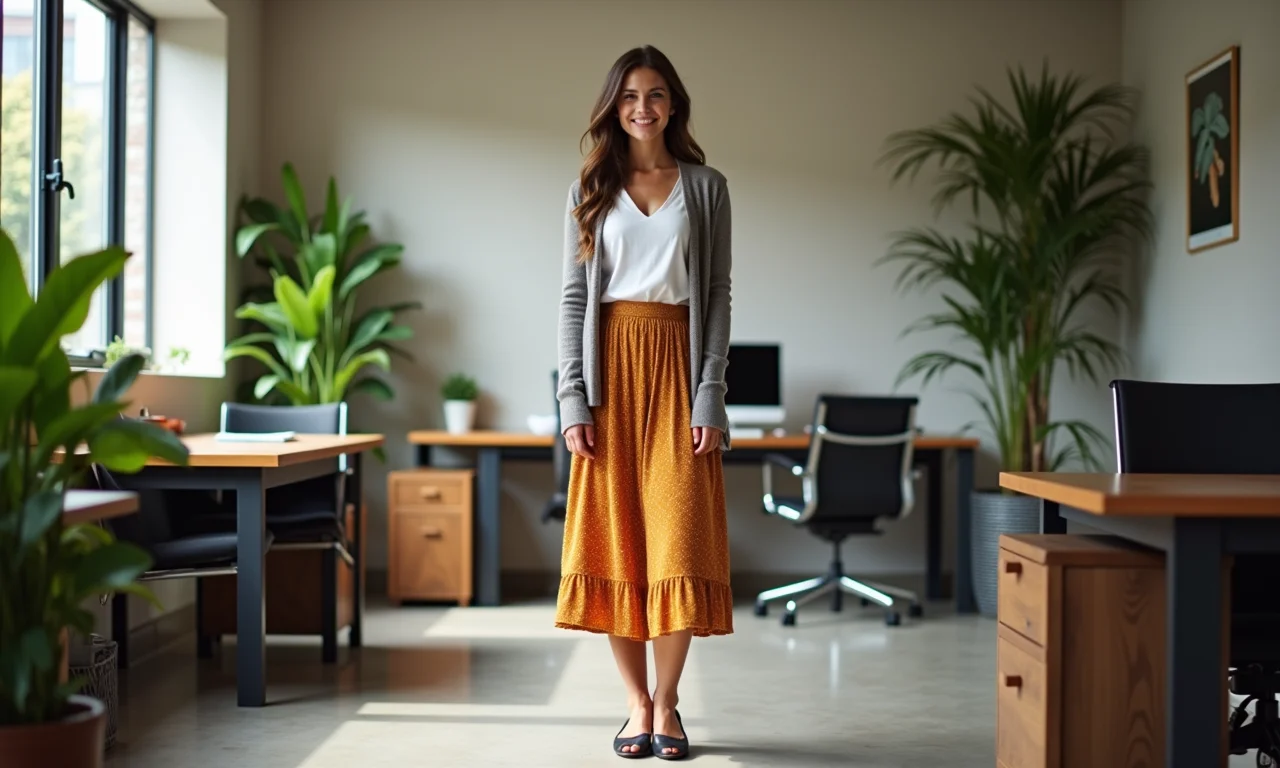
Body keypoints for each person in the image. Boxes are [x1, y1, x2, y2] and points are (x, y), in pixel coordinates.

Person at [554, 44, 733, 760]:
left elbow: (715, 295)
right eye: (629, 96)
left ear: (673, 104)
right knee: (619, 538)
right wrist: (574, 399)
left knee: (679, 536)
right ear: (613, 106)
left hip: (678, 367)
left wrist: (710, 395)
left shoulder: (707, 187)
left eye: (655, 95)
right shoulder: (590, 188)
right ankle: (636, 706)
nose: (642, 108)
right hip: (609, 375)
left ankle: (669, 700)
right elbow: (574, 298)